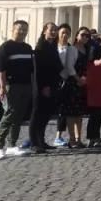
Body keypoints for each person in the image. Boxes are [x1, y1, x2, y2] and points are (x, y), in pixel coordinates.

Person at [0, 20, 33, 160]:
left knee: (18, 116)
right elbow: (1, 70)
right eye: (19, 29)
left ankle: (11, 145)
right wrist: (2, 87)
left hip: (26, 85)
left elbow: (31, 69)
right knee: (9, 114)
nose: (22, 32)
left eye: (25, 29)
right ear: (13, 29)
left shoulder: (28, 48)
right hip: (11, 85)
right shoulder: (5, 47)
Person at [28, 22, 62, 153]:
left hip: (52, 84)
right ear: (44, 31)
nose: (53, 32)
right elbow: (41, 70)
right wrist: (45, 86)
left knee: (46, 114)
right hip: (41, 85)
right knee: (36, 115)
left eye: (55, 30)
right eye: (51, 30)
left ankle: (41, 140)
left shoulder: (53, 47)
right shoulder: (40, 48)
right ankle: (33, 142)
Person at [58, 25, 89, 148]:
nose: (85, 37)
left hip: (82, 83)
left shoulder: (86, 49)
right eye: (82, 35)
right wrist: (78, 79)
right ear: (76, 36)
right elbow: (69, 66)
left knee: (79, 113)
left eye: (87, 35)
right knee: (71, 113)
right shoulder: (72, 49)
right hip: (73, 83)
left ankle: (78, 138)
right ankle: (72, 139)